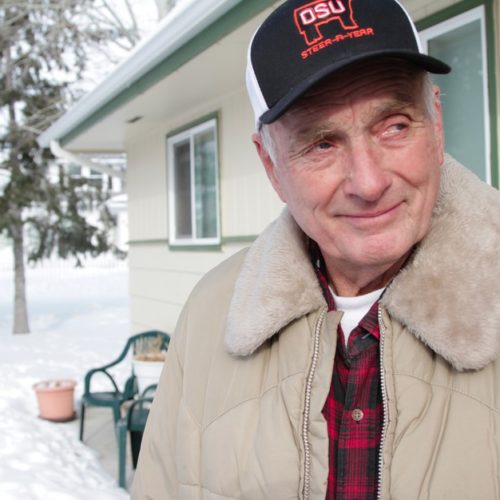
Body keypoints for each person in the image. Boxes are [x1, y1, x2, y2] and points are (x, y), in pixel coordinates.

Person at [132, 0, 500, 498]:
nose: (368, 183)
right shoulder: (211, 313)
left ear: (435, 125)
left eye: (393, 125)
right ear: (271, 166)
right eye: (321, 144)